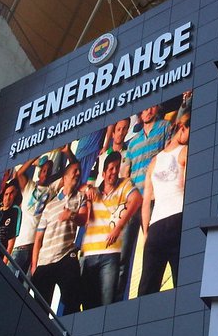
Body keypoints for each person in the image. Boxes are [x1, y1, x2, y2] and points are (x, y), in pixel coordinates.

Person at [118, 106, 171, 296]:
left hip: (155, 199)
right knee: (123, 255)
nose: (148, 111)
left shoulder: (164, 127)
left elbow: (169, 156)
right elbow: (125, 173)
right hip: (134, 203)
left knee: (154, 249)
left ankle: (149, 296)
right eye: (145, 109)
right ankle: (117, 301)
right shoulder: (133, 143)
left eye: (152, 107)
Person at [81, 151, 142, 308]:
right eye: (111, 169)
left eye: (117, 167)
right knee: (88, 306)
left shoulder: (124, 184)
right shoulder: (94, 191)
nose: (114, 172)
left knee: (107, 304)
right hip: (89, 255)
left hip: (110, 254)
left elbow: (137, 199)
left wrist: (119, 227)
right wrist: (88, 188)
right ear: (103, 173)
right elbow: (78, 188)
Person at [138, 112, 189, 296]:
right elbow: (186, 186)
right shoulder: (185, 151)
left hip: (156, 226)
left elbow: (146, 203)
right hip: (178, 219)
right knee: (182, 281)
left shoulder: (154, 161)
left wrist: (146, 233)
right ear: (182, 129)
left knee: (147, 288)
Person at [30, 162, 88, 314]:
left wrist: (71, 215)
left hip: (66, 255)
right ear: (65, 177)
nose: (78, 174)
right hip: (45, 261)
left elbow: (83, 219)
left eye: (79, 171)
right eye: (75, 171)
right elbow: (38, 239)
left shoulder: (81, 197)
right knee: (39, 309)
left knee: (73, 301)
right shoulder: (50, 206)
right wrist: (35, 266)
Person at [11, 147, 74, 272]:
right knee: (8, 278)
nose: (46, 173)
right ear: (39, 172)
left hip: (36, 247)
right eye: (44, 170)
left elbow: (71, 171)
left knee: (29, 281)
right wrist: (35, 155)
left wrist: (67, 152)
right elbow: (19, 174)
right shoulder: (29, 186)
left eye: (48, 171)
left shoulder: (51, 189)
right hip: (20, 245)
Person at [0, 183, 22, 265]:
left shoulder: (15, 211)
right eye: (6, 194)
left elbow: (11, 243)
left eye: (11, 194)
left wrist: (3, 264)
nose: (8, 197)